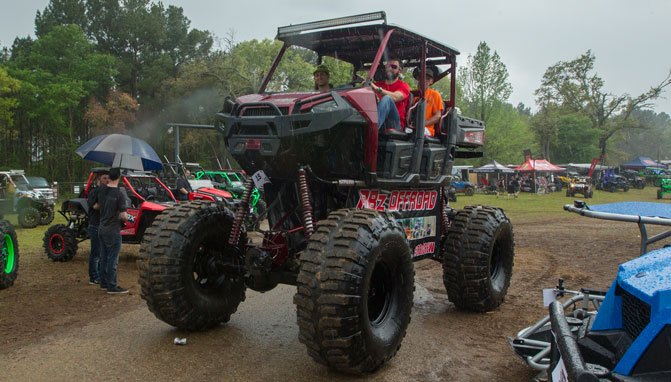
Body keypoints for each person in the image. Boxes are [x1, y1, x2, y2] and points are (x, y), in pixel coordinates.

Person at [97, 167, 130, 294]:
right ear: (119, 177)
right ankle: (112, 285)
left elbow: (98, 206)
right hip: (113, 229)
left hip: (102, 227)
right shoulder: (119, 194)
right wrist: (125, 220)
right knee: (113, 258)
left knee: (103, 256)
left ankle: (104, 283)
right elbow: (123, 215)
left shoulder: (101, 191)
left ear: (109, 177)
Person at [370, 57, 411, 131]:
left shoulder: (404, 86)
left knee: (387, 98)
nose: (389, 68)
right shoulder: (377, 84)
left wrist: (377, 89)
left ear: (400, 70)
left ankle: (372, 130)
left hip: (394, 124)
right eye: (387, 66)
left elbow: (395, 97)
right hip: (376, 118)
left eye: (394, 67)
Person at [87, 169, 110, 285]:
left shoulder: (108, 192)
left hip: (104, 226)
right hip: (95, 225)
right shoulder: (94, 192)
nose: (106, 180)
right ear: (98, 180)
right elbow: (95, 206)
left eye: (107, 178)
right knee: (96, 253)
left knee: (103, 253)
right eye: (104, 178)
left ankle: (102, 276)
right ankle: (93, 276)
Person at [411, 65, 444, 137]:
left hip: (426, 129)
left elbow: (438, 116)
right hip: (411, 127)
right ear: (418, 78)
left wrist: (422, 124)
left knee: (417, 133)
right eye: (421, 77)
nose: (424, 80)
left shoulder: (435, 95)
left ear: (431, 81)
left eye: (427, 78)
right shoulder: (413, 95)